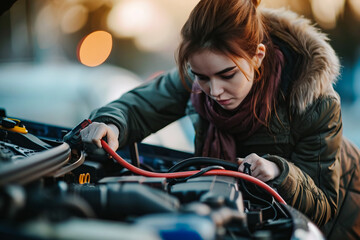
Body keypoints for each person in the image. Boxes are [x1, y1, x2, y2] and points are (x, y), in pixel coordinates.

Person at [79, 0, 360, 239]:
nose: (213, 91)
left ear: (258, 56)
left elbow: (323, 205)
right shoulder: (200, 75)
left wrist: (279, 172)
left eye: (227, 75)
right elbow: (138, 107)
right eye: (201, 77)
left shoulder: (316, 103)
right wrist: (110, 123)